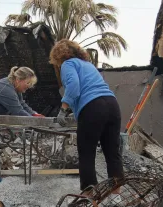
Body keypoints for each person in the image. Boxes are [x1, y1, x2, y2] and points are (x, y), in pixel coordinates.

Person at [50, 39, 124, 192]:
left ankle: (90, 196)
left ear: (58, 56)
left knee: (86, 153)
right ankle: (117, 196)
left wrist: (63, 109)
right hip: (112, 105)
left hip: (93, 108)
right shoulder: (88, 65)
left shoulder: (68, 64)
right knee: (112, 152)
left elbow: (74, 86)